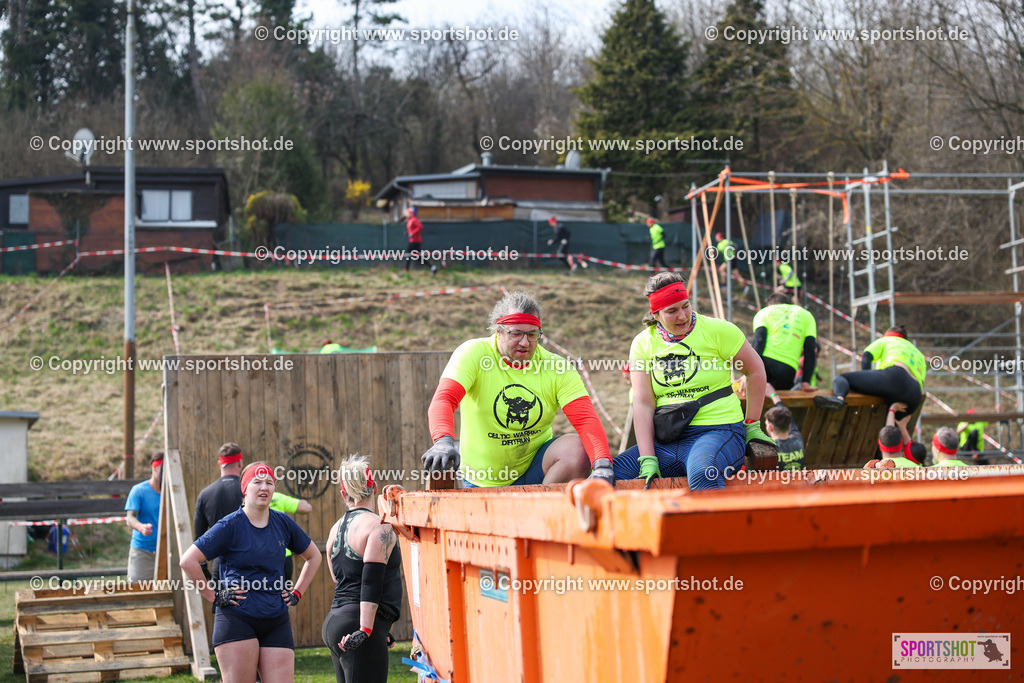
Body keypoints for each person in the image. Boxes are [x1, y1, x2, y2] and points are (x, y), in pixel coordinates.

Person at [421, 290, 614, 487]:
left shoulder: (557, 367)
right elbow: (444, 399)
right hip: (483, 479)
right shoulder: (473, 353)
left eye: (532, 335)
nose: (524, 342)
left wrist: (602, 464)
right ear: (498, 332)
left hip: (535, 469)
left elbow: (585, 419)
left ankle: (542, 503)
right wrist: (443, 441)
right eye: (516, 334)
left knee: (577, 450)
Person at [613, 272, 774, 490]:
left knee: (703, 475)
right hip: (669, 438)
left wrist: (752, 424)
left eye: (686, 306)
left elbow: (755, 370)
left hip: (718, 430)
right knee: (608, 477)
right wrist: (648, 458)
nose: (682, 316)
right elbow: (643, 403)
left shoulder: (718, 330)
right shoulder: (642, 343)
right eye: (672, 311)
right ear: (656, 314)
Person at [180, 462, 322, 683]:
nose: (264, 487)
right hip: (237, 618)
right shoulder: (230, 525)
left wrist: (297, 593)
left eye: (269, 483)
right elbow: (188, 561)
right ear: (245, 488)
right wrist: (214, 596)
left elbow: (314, 556)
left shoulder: (283, 522)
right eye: (257, 482)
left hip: (276, 619)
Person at [322, 455, 402, 683]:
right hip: (357, 625)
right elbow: (370, 583)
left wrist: (379, 628)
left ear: (343, 494)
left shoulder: (335, 529)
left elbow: (339, 579)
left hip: (335, 622)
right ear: (374, 487)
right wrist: (366, 629)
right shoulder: (379, 527)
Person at [814, 325, 926, 421]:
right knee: (889, 433)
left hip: (894, 377)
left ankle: (839, 399)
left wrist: (866, 386)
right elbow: (921, 382)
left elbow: (867, 356)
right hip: (914, 393)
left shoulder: (887, 340)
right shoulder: (918, 353)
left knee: (843, 378)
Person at [194, 443, 245, 586]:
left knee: (221, 599)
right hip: (250, 561)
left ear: (219, 464)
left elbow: (199, 535)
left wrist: (202, 566)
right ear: (240, 463)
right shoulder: (249, 491)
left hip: (220, 564)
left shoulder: (205, 494)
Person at [752, 292, 818, 391]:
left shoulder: (764, 312)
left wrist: (749, 371)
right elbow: (810, 351)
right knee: (778, 396)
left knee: (757, 396)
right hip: (787, 370)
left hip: (763, 363)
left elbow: (759, 341)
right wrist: (806, 381)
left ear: (770, 304)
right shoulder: (807, 315)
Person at [125, 452, 163, 582]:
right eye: (162, 470)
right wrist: (141, 527)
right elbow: (130, 518)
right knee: (137, 589)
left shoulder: (172, 492)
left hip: (167, 552)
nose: (165, 474)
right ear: (154, 468)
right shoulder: (139, 490)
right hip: (143, 551)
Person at [269, 492, 312, 583]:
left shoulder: (249, 499)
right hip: (283, 556)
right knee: (284, 590)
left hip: (267, 556)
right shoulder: (276, 497)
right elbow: (307, 507)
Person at [764, 395, 804, 471]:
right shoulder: (798, 438)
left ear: (770, 427)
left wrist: (772, 395)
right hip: (798, 478)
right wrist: (774, 396)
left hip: (778, 479)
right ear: (789, 426)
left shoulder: (768, 449)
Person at [877, 402, 922, 467]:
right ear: (901, 443)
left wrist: (892, 411)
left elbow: (889, 434)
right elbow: (889, 433)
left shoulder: (875, 469)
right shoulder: (918, 468)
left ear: (879, 443)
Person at [402, 206, 438, 276]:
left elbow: (420, 227)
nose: (406, 214)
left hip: (415, 241)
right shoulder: (410, 220)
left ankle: (406, 271)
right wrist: (408, 233)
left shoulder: (414, 219)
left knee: (409, 255)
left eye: (407, 213)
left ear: (411, 213)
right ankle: (433, 267)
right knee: (418, 257)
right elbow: (412, 229)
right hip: (413, 240)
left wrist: (412, 233)